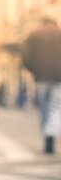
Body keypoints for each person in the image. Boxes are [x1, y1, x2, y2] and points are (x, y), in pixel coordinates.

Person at [21, 15, 61, 153]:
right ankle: (52, 134)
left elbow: (25, 57)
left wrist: (34, 70)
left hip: (41, 78)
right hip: (58, 78)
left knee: (44, 109)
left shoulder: (34, 35)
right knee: (56, 108)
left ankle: (46, 138)